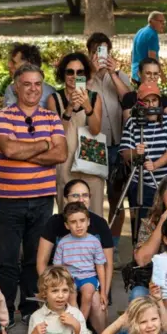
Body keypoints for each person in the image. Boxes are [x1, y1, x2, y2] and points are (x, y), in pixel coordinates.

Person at [0, 64, 67, 327]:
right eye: (27, 84)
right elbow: (9, 149)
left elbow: (61, 155)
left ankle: (28, 308)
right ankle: (3, 312)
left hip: (42, 199)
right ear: (16, 86)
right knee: (7, 260)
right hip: (9, 201)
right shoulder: (3, 117)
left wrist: (27, 151)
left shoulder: (51, 117)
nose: (33, 89)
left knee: (35, 259)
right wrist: (45, 144)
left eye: (37, 84)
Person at [122, 82, 167, 236]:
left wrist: (155, 164)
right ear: (140, 104)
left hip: (166, 182)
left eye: (154, 100)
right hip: (140, 183)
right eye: (147, 101)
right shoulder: (132, 122)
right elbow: (124, 153)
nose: (151, 105)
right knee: (142, 223)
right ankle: (139, 254)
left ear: (160, 101)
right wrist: (135, 152)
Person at [49, 52, 105, 215]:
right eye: (70, 72)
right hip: (65, 159)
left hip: (91, 160)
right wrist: (69, 108)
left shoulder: (94, 98)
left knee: (94, 211)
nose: (74, 76)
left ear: (86, 75)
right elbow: (57, 134)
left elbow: (95, 131)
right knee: (66, 212)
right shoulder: (55, 99)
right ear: (63, 74)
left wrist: (87, 106)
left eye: (80, 72)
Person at [86, 32, 132, 187]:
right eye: (96, 52)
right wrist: (92, 73)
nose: (100, 56)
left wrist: (113, 73)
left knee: (117, 191)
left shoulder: (119, 75)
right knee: (94, 189)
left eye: (104, 52)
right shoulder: (82, 77)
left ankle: (116, 213)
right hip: (93, 143)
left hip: (118, 142)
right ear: (90, 54)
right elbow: (79, 98)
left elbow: (128, 99)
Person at [51, 203, 109, 324]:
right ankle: (75, 322)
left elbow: (100, 267)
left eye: (82, 220)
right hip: (69, 278)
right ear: (67, 225)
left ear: (88, 222)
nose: (78, 225)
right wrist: (62, 280)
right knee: (71, 296)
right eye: (73, 222)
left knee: (88, 294)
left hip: (88, 277)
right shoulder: (63, 242)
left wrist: (103, 291)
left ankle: (80, 325)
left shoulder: (94, 242)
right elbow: (57, 266)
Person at [131, 11, 165, 82]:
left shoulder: (140, 31)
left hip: (136, 72)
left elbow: (132, 53)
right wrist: (162, 75)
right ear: (151, 21)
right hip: (147, 75)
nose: (163, 24)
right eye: (160, 21)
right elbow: (152, 58)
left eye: (164, 22)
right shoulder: (153, 35)